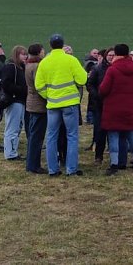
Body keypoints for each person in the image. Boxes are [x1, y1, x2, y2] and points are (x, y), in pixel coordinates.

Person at [35, 33, 87, 177]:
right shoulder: (71, 60)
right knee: (72, 136)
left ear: (50, 45)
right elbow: (82, 79)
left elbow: (38, 85)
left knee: (51, 136)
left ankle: (53, 169)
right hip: (70, 103)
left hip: (53, 104)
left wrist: (48, 95)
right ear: (63, 45)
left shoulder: (44, 62)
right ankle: (71, 169)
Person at [98, 43, 133, 175]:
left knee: (113, 136)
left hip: (112, 108)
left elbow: (103, 89)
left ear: (116, 54)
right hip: (129, 108)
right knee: (132, 136)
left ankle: (114, 165)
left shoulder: (112, 69)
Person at [85, 47, 114, 164]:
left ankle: (114, 155)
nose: (111, 57)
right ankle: (98, 155)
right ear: (106, 56)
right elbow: (90, 84)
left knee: (114, 131)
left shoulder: (117, 69)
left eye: (113, 55)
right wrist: (96, 95)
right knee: (100, 131)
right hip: (100, 104)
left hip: (114, 104)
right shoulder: (97, 68)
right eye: (110, 55)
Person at [24, 43, 48, 174]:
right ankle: (33, 165)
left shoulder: (28, 64)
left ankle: (31, 163)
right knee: (37, 136)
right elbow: (39, 85)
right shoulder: (37, 66)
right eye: (42, 51)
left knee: (33, 134)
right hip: (39, 105)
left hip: (31, 103)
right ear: (39, 52)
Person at [1, 45, 28, 160]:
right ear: (17, 55)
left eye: (26, 54)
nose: (25, 56)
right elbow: (6, 84)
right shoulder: (11, 67)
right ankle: (10, 153)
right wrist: (22, 90)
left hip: (20, 100)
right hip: (14, 100)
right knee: (12, 127)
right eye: (23, 54)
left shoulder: (21, 68)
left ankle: (12, 151)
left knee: (17, 127)